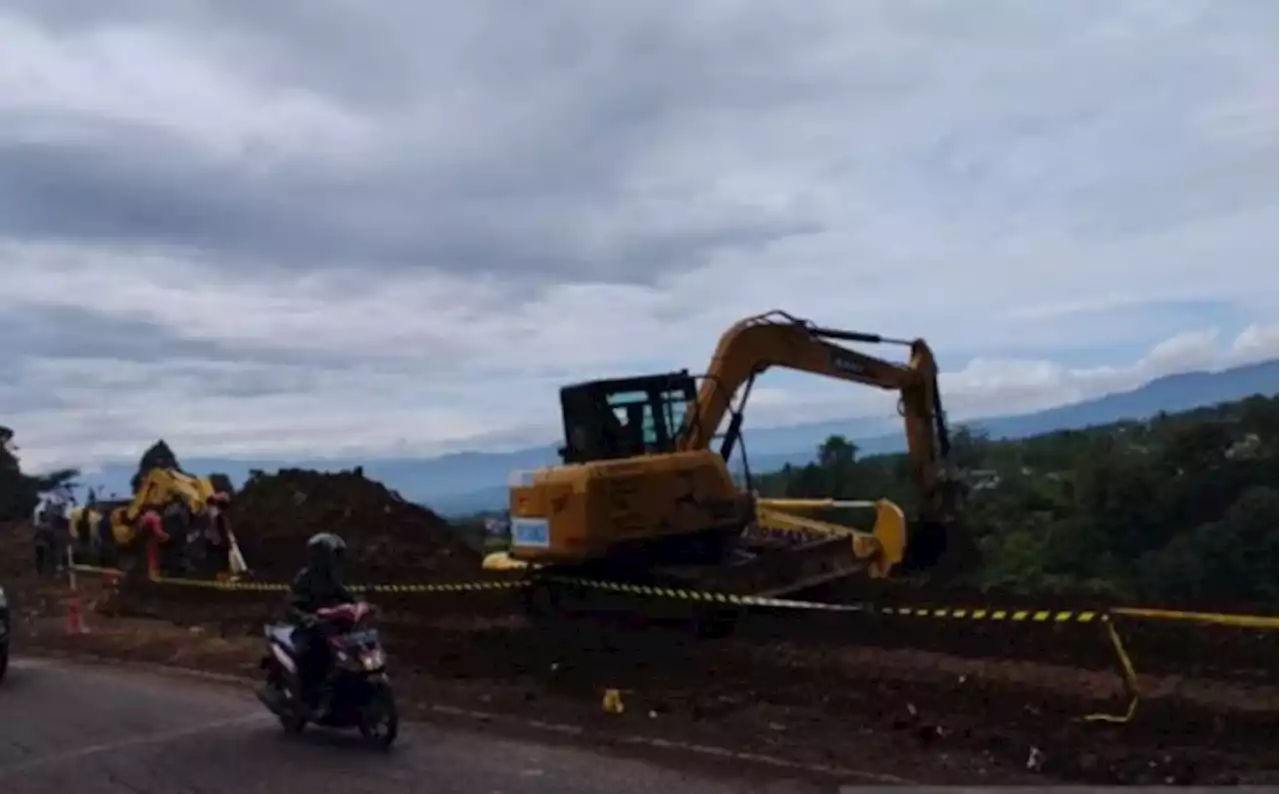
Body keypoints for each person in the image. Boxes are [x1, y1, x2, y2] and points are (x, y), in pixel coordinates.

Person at [287, 532, 355, 716]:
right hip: (309, 629)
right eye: (333, 555)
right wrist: (308, 618)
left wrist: (361, 606)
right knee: (312, 656)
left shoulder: (332, 577)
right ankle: (307, 698)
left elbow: (346, 596)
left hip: (331, 626)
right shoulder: (304, 577)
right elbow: (293, 605)